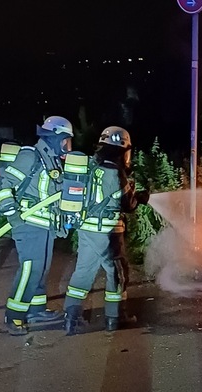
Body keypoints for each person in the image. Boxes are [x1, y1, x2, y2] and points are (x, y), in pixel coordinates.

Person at [64, 126, 149, 335]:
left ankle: (71, 319)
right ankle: (115, 317)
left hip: (86, 230)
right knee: (117, 272)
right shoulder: (115, 173)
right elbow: (128, 204)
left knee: (83, 272)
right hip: (108, 232)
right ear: (122, 150)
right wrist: (140, 197)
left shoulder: (90, 167)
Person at [0, 115, 74, 335]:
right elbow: (3, 183)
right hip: (28, 224)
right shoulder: (30, 155)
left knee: (41, 269)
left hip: (45, 226)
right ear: (54, 138)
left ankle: (36, 309)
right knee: (31, 269)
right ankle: (14, 316)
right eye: (65, 140)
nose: (66, 146)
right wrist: (13, 215)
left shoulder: (52, 161)